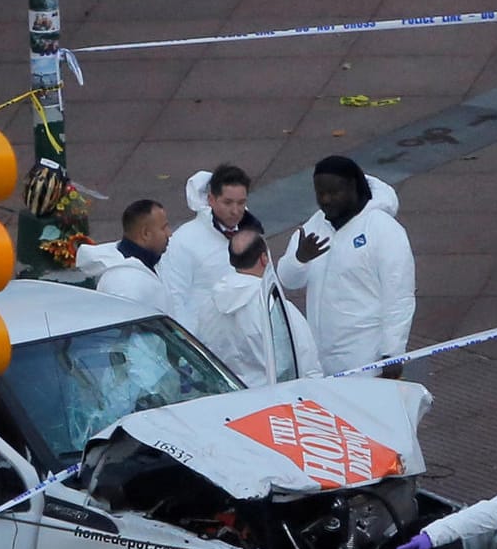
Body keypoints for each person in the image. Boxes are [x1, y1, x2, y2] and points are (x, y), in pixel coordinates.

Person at [275, 156, 414, 378]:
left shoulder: (383, 229)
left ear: (353, 187)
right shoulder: (314, 226)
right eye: (320, 193)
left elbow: (399, 296)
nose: (326, 200)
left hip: (365, 358)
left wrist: (393, 353)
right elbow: (287, 280)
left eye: (333, 193)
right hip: (320, 358)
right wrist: (300, 259)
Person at [188, 226, 323, 387]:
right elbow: (305, 362)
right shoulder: (276, 308)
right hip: (273, 401)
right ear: (264, 258)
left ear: (231, 260)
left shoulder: (209, 305)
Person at [158, 164, 263, 331]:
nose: (235, 211)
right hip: (209, 347)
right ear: (211, 199)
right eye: (228, 203)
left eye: (241, 202)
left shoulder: (252, 234)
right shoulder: (184, 241)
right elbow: (175, 299)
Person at [73, 199, 171, 314]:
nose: (169, 233)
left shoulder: (150, 263)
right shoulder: (125, 284)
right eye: (164, 228)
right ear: (145, 234)